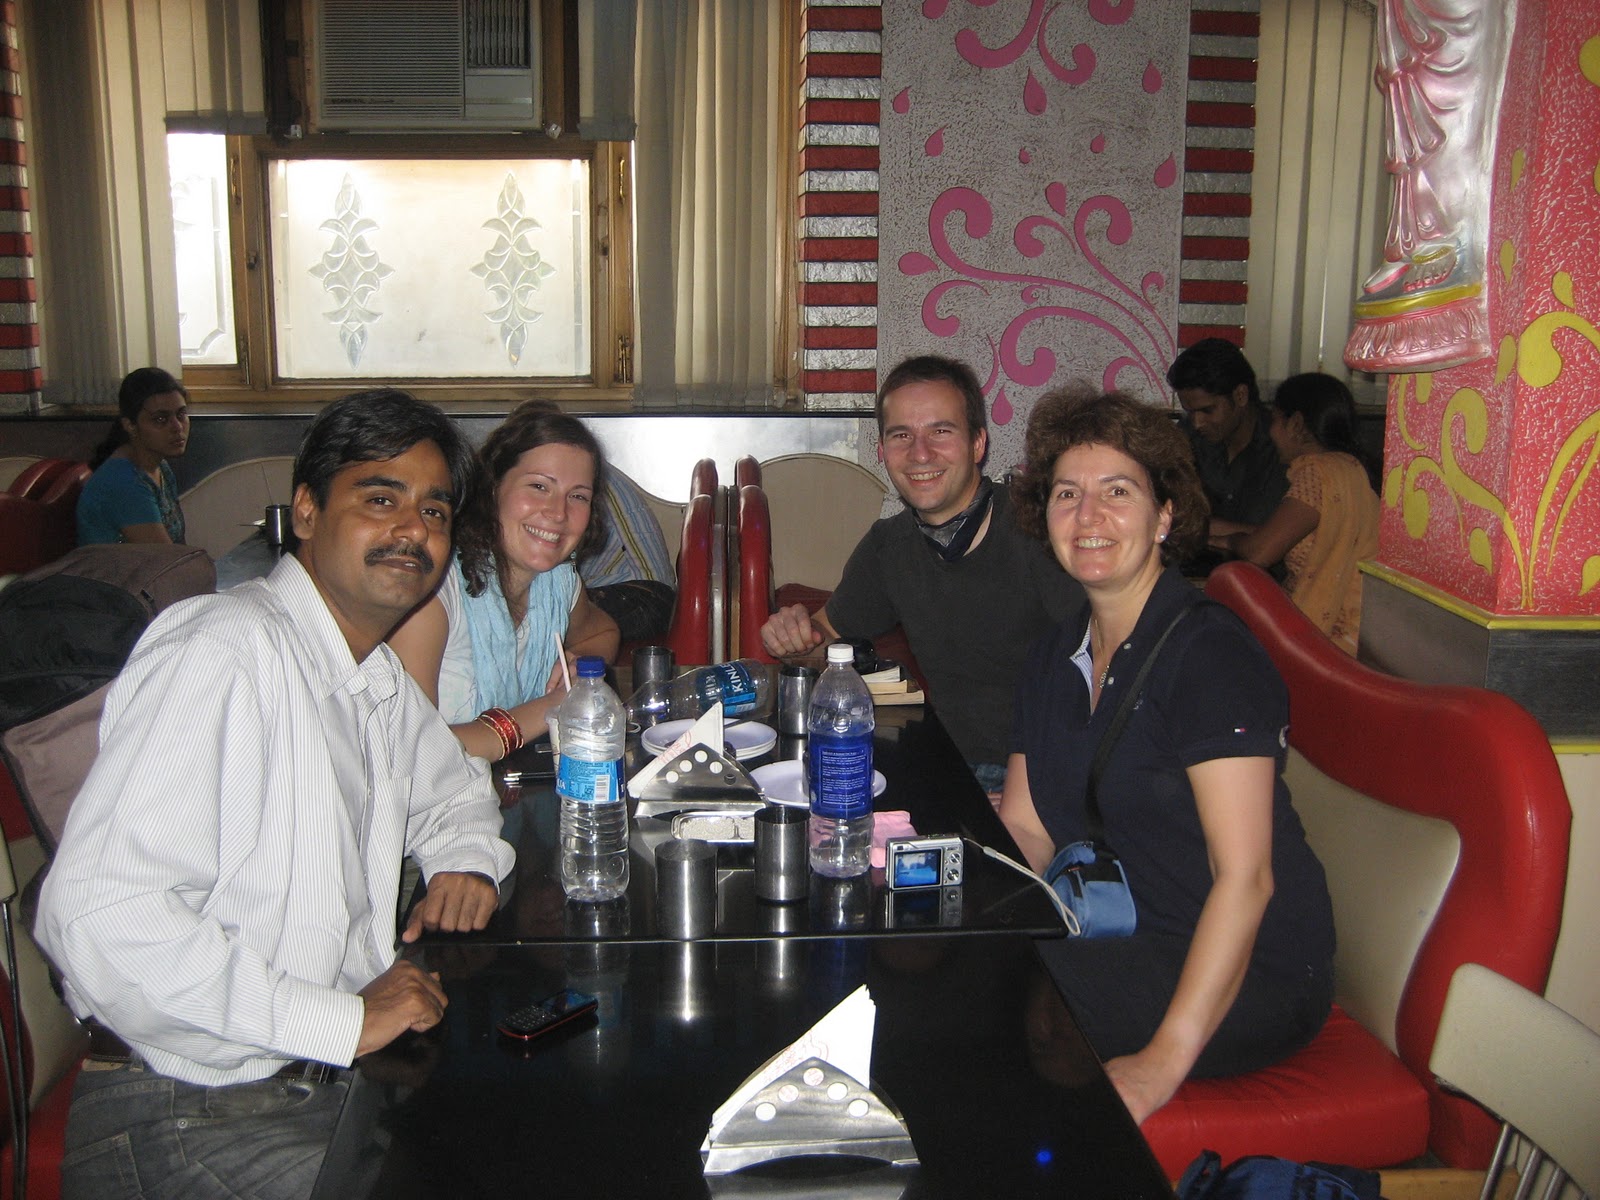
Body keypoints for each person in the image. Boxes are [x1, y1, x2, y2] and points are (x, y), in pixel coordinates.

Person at [35, 389, 516, 1197]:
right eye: (380, 498)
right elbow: (99, 915)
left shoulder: (372, 677)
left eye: (433, 510)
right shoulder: (225, 651)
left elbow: (455, 788)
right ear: (306, 511)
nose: (413, 529)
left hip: (310, 1086)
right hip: (182, 1108)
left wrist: (463, 861)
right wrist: (342, 1020)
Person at [999, 387, 1334, 1125]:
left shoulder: (1210, 655)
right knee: (970, 971)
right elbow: (1026, 826)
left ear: (1165, 517)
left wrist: (1162, 1062)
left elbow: (1245, 879)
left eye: (1118, 491)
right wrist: (979, 921)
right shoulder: (1053, 655)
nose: (1088, 516)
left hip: (1245, 968)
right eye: (1067, 494)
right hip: (1118, 928)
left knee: (1007, 1016)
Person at [760, 354, 1083, 793]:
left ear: (978, 444)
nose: (920, 453)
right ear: (882, 452)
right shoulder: (889, 547)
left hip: (1051, 772)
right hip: (951, 765)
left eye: (941, 431)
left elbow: (1109, 673)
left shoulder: (1039, 530)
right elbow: (824, 642)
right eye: (901, 436)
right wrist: (792, 639)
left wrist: (1028, 795)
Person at [389, 401, 620, 761]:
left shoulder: (556, 582)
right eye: (539, 486)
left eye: (578, 496)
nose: (558, 512)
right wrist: (556, 704)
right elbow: (415, 750)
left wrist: (581, 673)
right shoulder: (433, 592)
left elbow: (603, 633)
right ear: (493, 487)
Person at [1208, 373, 1381, 655]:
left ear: (1296, 424)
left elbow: (1259, 552)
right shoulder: (1347, 468)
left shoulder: (1317, 473)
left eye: (1275, 420)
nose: (1271, 431)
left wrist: (1227, 541)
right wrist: (1205, 531)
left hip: (1327, 641)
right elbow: (1282, 534)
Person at [1166, 339, 1287, 542]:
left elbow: (1291, 535)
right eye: (1190, 412)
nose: (1197, 423)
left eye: (1207, 410)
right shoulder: (1187, 437)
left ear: (1240, 395)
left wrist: (1208, 528)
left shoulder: (1283, 445)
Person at [75, 366, 191, 546]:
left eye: (181, 414)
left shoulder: (160, 466)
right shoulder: (124, 483)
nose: (177, 427)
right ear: (130, 425)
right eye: (160, 419)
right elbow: (164, 557)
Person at [580, 467, 679, 643]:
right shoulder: (589, 467)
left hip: (637, 595)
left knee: (546, 616)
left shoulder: (583, 473)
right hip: (651, 595)